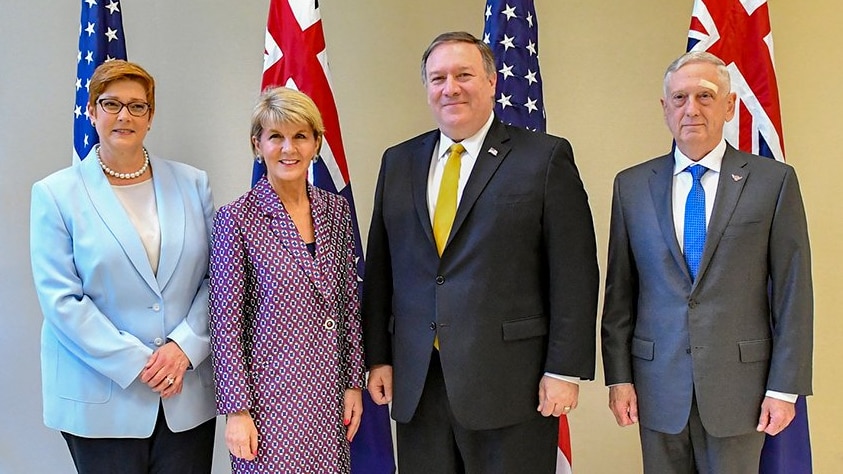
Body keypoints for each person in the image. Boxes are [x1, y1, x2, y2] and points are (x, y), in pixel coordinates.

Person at [362, 31, 599, 473]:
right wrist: (378, 355)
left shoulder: (543, 158)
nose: (450, 87)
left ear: (492, 82)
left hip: (512, 384)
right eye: (438, 78)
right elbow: (381, 270)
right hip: (419, 382)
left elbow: (574, 273)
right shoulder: (399, 161)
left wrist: (564, 370)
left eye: (464, 75)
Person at [601, 51, 814, 473]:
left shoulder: (773, 181)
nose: (691, 109)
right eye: (679, 98)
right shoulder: (632, 186)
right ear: (665, 109)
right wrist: (619, 378)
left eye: (705, 96)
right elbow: (620, 294)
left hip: (741, 390)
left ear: (730, 106)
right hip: (657, 386)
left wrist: (785, 389)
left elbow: (793, 292)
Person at [30, 60, 217, 473]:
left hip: (184, 395)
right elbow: (62, 300)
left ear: (151, 116)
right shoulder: (56, 194)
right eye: (111, 104)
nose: (124, 116)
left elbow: (216, 280)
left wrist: (185, 348)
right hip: (101, 398)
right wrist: (140, 363)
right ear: (92, 112)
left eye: (137, 106)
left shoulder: (193, 184)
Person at [209, 86, 365, 473]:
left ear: (316, 143)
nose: (288, 148)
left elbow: (347, 303)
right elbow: (226, 322)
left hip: (329, 397)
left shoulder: (336, 209)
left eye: (300, 136)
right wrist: (236, 411)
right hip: (268, 404)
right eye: (275, 136)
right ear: (257, 144)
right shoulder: (237, 218)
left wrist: (352, 382)